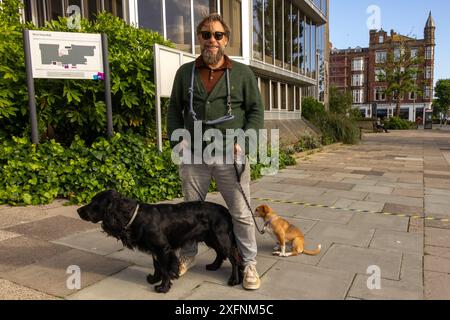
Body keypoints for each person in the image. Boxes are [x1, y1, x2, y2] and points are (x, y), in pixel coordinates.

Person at [167, 13, 264, 290]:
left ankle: (248, 263)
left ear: (226, 40)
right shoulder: (185, 73)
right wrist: (178, 141)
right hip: (193, 154)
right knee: (188, 212)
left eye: (218, 35)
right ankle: (187, 256)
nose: (212, 40)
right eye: (206, 34)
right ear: (199, 38)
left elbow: (256, 111)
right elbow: (174, 109)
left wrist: (244, 141)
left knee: (241, 212)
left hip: (230, 155)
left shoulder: (243, 73)